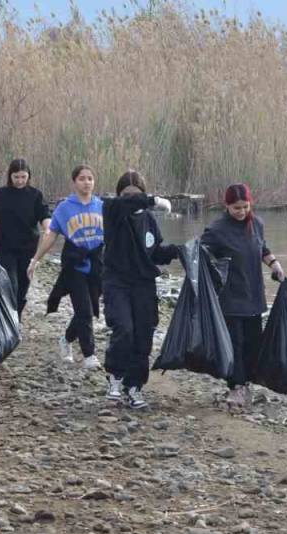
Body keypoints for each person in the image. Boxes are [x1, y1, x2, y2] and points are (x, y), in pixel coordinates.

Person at [98, 170, 177, 409]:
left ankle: (134, 387)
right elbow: (124, 204)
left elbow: (156, 253)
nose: (132, 199)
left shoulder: (149, 220)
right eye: (126, 194)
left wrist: (181, 251)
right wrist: (153, 200)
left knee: (143, 333)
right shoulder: (111, 211)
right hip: (116, 281)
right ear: (119, 195)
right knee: (124, 328)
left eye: (136, 195)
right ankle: (115, 376)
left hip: (143, 283)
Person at [201, 183, 284, 408]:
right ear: (226, 206)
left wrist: (274, 264)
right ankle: (235, 386)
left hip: (253, 293)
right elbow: (201, 253)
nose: (242, 212)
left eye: (245, 207)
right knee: (234, 342)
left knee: (253, 342)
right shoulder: (217, 229)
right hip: (229, 296)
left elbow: (262, 249)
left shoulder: (256, 224)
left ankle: (246, 381)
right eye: (236, 208)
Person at [28, 165, 104, 368]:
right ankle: (89, 355)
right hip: (74, 266)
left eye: (90, 178)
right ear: (74, 182)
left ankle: (67, 340)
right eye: (82, 179)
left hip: (96, 266)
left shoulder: (101, 205)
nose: (86, 182)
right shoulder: (64, 207)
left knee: (85, 311)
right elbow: (51, 236)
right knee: (85, 311)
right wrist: (35, 259)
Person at [0, 158, 50, 318]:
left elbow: (44, 214)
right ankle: (7, 316)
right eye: (16, 177)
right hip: (4, 246)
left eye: (23, 177)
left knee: (23, 286)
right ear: (10, 176)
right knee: (10, 282)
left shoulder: (36, 195)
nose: (20, 181)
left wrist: (47, 228)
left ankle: (16, 318)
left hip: (28, 246)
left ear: (28, 176)